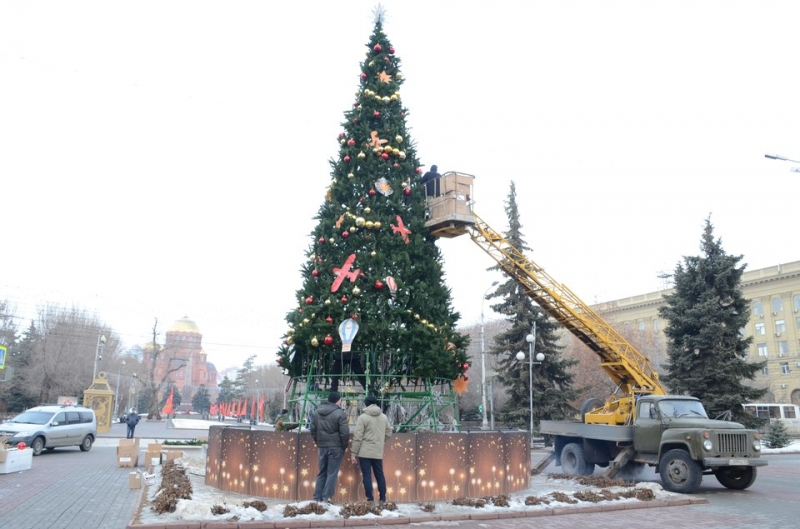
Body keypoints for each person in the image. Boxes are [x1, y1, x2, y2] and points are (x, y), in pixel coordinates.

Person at [350, 395, 392, 504]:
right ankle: (383, 498)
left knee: (367, 475)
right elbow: (389, 432)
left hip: (364, 451)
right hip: (378, 451)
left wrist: (354, 453)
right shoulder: (383, 417)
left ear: (366, 404)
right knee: (379, 474)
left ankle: (370, 499)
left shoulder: (363, 417)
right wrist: (381, 441)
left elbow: (358, 436)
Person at [310, 391, 350, 504]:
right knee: (332, 473)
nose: (341, 401)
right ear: (337, 400)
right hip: (336, 447)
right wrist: (344, 446)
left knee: (322, 472)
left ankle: (317, 497)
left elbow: (312, 430)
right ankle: (327, 498)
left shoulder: (317, 412)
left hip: (322, 447)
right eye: (340, 400)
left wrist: (318, 442)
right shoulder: (340, 413)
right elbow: (344, 433)